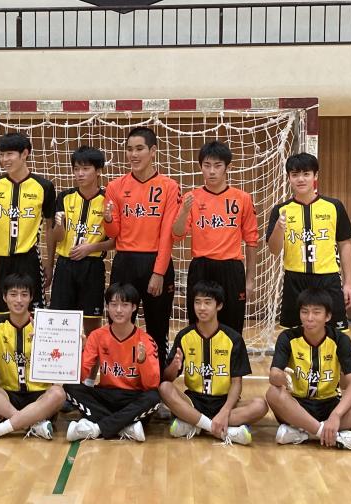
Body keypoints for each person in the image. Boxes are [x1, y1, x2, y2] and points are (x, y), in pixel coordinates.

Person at [103, 127, 180, 372]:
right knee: (119, 323)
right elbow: (113, 233)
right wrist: (107, 219)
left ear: (153, 151)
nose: (133, 155)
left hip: (156, 262)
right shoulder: (115, 186)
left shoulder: (169, 186)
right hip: (125, 262)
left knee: (158, 327)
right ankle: (120, 378)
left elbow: (168, 233)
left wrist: (158, 272)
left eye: (139, 149)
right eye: (129, 149)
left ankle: (156, 382)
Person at [266, 288, 351, 451]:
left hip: (330, 404)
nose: (309, 318)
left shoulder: (340, 340)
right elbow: (274, 375)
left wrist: (336, 415)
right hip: (297, 406)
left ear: (328, 316)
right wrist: (280, 378)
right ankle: (334, 436)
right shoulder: (288, 337)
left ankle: (306, 433)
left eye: (316, 312)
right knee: (273, 393)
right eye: (304, 312)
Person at [158, 281, 267, 444]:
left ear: (219, 305)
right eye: (197, 302)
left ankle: (195, 424)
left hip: (224, 402)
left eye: (207, 302)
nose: (201, 308)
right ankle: (220, 430)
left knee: (260, 405)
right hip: (193, 401)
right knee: (164, 388)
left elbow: (237, 383)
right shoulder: (184, 336)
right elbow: (168, 379)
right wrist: (174, 366)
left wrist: (225, 411)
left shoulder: (233, 339)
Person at [0, 274, 66, 441]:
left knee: (58, 393)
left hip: (40, 397)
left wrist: (44, 343)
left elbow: (59, 364)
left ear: (31, 297)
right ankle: (30, 423)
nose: (19, 300)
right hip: (7, 397)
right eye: (13, 294)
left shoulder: (43, 323)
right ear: (5, 297)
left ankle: (1, 427)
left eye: (24, 295)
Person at [172, 140, 258, 334]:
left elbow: (251, 240)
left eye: (217, 166)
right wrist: (184, 211)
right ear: (200, 167)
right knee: (197, 326)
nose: (212, 171)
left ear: (228, 167)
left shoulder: (242, 198)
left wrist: (250, 279)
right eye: (207, 165)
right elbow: (177, 235)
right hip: (201, 268)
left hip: (232, 269)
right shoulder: (191, 197)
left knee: (233, 327)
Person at [266, 152, 351, 330]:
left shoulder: (334, 206)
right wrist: (278, 228)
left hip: (328, 279)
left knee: (336, 335)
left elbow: (345, 245)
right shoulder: (281, 210)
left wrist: (348, 284)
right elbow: (274, 250)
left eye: (306, 174)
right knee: (293, 335)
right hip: (294, 280)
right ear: (289, 178)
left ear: (315, 176)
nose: (300, 179)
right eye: (295, 174)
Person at [65, 283, 161, 442]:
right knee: (69, 387)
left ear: (134, 307)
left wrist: (142, 361)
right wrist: (79, 352)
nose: (118, 310)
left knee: (154, 397)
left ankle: (97, 428)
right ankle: (125, 426)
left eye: (125, 305)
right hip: (105, 395)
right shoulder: (97, 336)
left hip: (132, 397)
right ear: (107, 307)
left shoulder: (145, 340)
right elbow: (80, 376)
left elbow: (151, 384)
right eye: (114, 304)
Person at [0, 132, 56, 314]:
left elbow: (50, 228)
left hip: (29, 259)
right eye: (1, 155)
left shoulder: (44, 186)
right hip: (0, 259)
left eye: (10, 154)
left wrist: (49, 263)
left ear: (24, 154)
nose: (5, 159)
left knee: (33, 315)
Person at [50, 146, 114, 336]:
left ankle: (90, 357)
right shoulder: (64, 197)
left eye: (85, 169)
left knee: (91, 324)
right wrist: (59, 226)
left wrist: (90, 248)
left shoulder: (108, 200)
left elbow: (116, 241)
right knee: (61, 323)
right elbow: (57, 237)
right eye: (76, 169)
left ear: (98, 171)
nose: (80, 173)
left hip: (92, 267)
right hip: (65, 266)